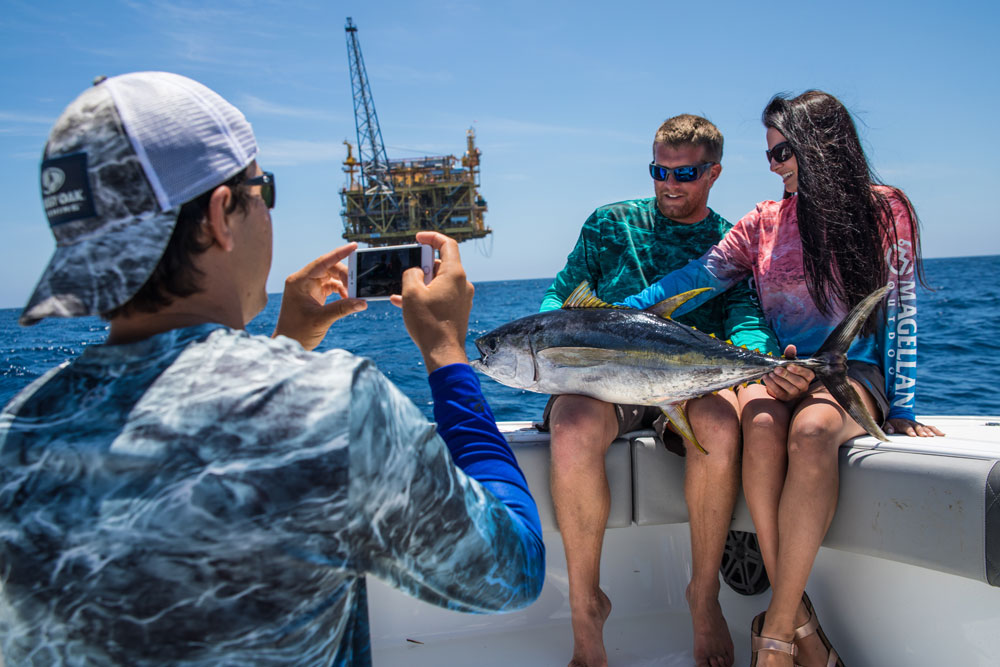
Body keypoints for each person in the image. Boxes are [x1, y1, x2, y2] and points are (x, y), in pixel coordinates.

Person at [0, 71, 544, 666]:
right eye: (263, 190)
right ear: (218, 214)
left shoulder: (16, 434)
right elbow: (511, 571)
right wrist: (446, 352)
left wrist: (287, 345)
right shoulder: (335, 406)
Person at [622, 91, 944, 666]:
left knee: (812, 434)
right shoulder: (762, 223)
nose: (778, 166)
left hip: (852, 371)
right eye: (771, 155)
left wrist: (903, 407)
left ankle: (774, 630)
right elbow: (700, 275)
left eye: (786, 151)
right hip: (780, 367)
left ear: (826, 145)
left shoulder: (884, 207)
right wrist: (619, 313)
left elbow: (903, 309)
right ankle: (798, 623)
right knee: (761, 428)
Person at [540, 114, 780, 667]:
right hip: (605, 379)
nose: (670, 184)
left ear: (714, 172)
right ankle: (585, 606)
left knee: (721, 426)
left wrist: (758, 353)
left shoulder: (730, 239)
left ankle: (703, 595)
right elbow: (558, 298)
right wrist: (553, 337)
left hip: (687, 377)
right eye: (660, 171)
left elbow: (745, 318)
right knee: (572, 427)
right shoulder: (608, 223)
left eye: (686, 173)